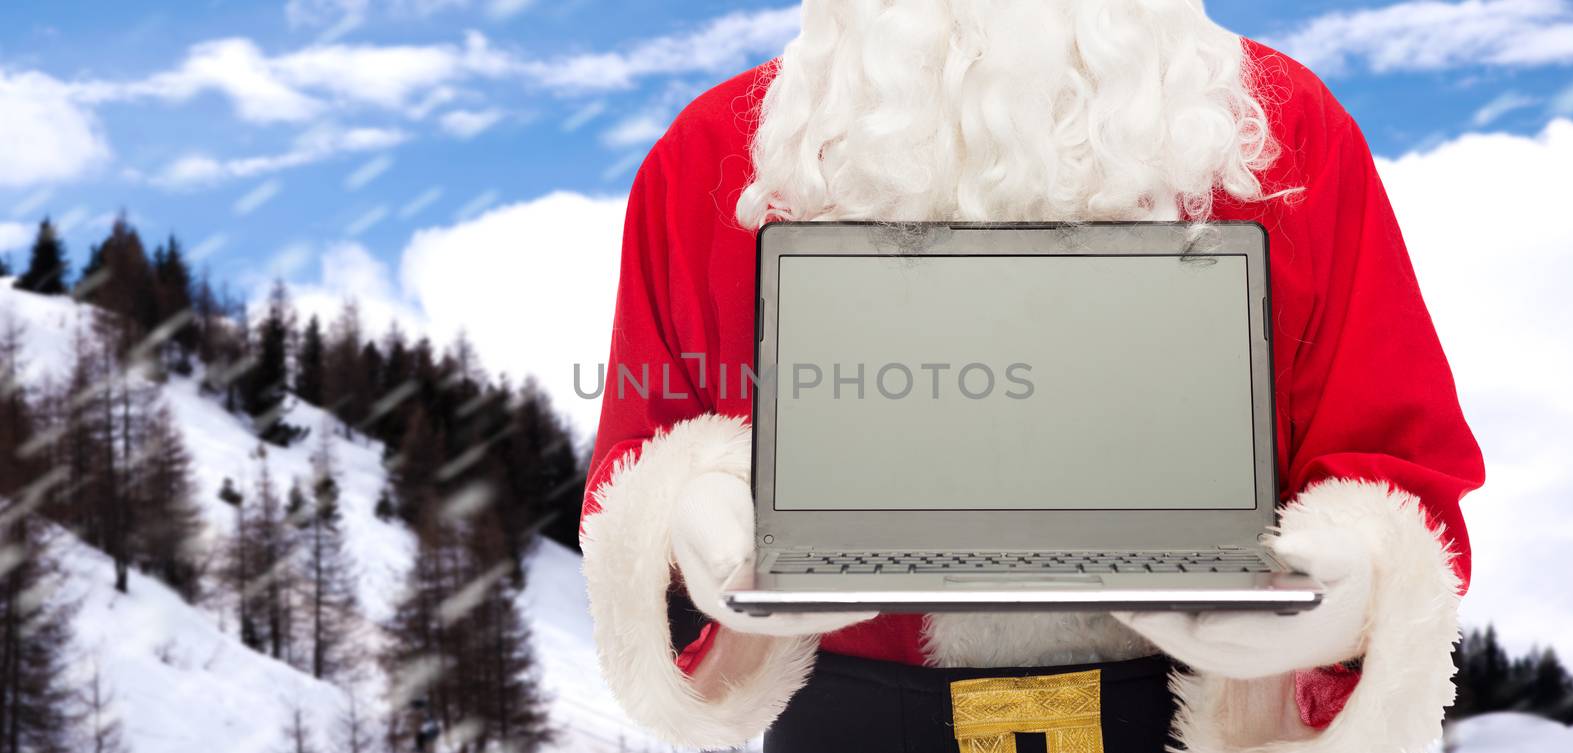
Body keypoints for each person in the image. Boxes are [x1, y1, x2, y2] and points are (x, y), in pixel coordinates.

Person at [579, 1, 1485, 751]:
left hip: (1185, 722)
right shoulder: (711, 159)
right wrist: (687, 522)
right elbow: (640, 455)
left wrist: (1349, 594)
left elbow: (1393, 458)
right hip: (846, 724)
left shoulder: (1292, 136)